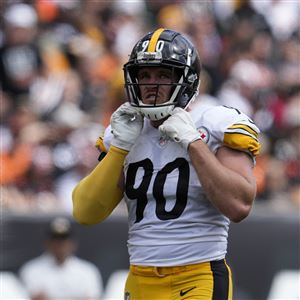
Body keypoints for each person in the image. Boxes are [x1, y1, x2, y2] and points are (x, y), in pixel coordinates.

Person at [72, 28, 261, 300]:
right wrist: (119, 150)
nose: (151, 84)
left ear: (187, 80)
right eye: (144, 75)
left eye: (163, 74)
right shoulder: (125, 130)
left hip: (198, 275)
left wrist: (193, 143)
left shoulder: (214, 122)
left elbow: (240, 205)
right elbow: (85, 212)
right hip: (139, 278)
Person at [19, 217, 103, 300]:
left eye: (64, 239)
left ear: (72, 243)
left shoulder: (87, 271)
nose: (60, 244)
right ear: (47, 243)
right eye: (55, 239)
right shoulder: (32, 269)